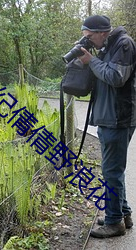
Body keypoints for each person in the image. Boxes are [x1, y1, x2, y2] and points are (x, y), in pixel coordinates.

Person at [78, 15, 136, 238]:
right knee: (113, 171)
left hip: (118, 118)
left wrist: (91, 61)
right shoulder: (107, 46)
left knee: (112, 172)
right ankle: (123, 214)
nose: (89, 41)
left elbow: (115, 77)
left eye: (90, 37)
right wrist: (88, 60)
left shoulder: (124, 44)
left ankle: (114, 223)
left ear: (102, 32)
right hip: (108, 117)